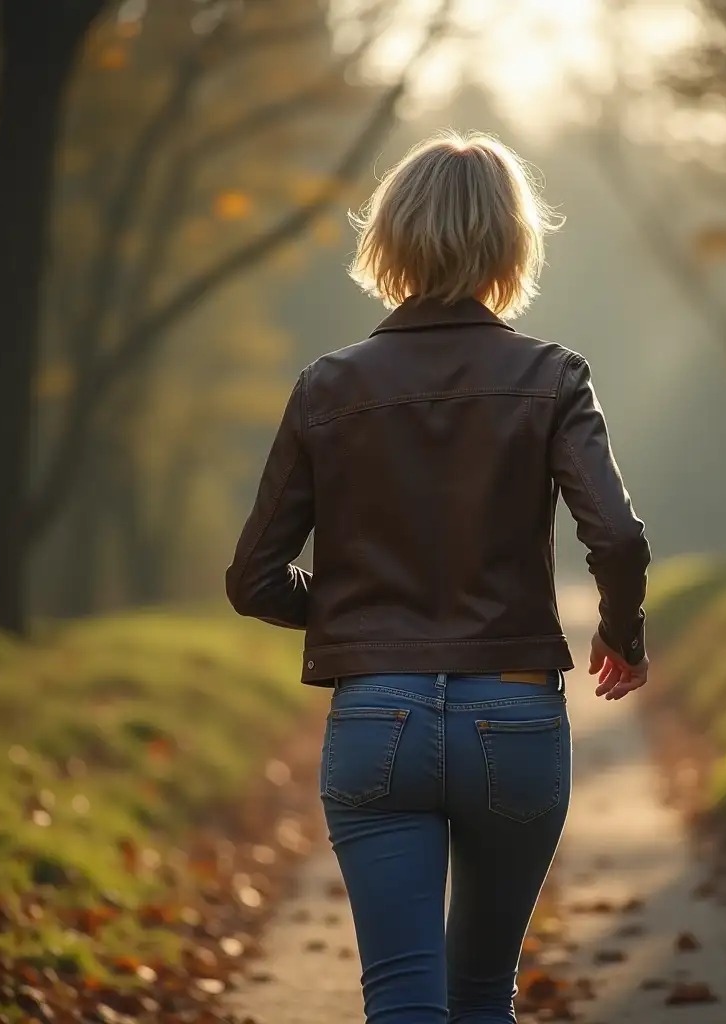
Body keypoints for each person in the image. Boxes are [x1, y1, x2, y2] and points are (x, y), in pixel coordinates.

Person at [225, 129, 651, 1024]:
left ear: (390, 240)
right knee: (482, 994)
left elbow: (253, 578)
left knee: (402, 999)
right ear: (512, 244)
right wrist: (622, 633)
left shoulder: (326, 386)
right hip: (515, 712)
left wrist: (357, 616)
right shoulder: (552, 377)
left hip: (376, 717)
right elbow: (614, 535)